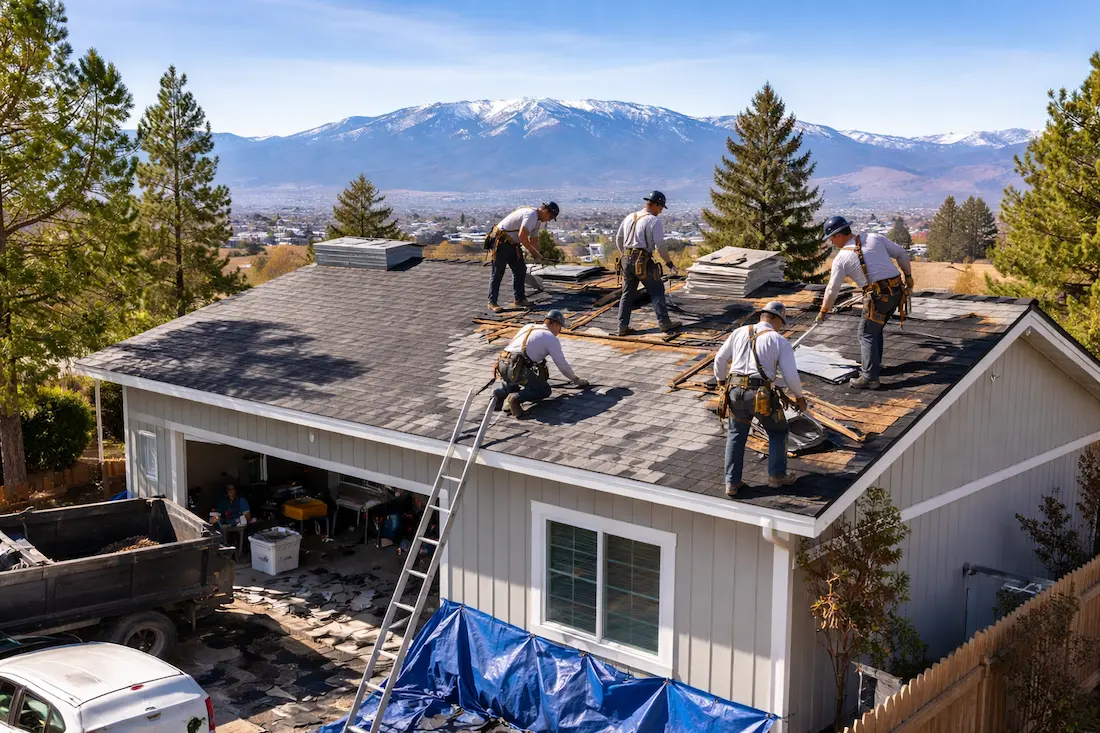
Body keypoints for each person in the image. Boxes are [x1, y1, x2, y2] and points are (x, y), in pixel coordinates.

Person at [715, 301, 807, 497]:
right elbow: (790, 374)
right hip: (761, 395)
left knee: (736, 435)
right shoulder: (778, 340)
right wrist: (799, 397)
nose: (781, 326)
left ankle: (732, 483)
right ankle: (776, 477)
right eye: (781, 322)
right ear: (774, 318)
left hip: (734, 391)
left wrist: (722, 382)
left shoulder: (739, 332)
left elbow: (720, 359)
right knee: (778, 431)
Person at [817, 215, 914, 389]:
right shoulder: (874, 238)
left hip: (878, 297)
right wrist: (908, 276)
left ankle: (870, 377)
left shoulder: (841, 258)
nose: (831, 242)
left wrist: (824, 310)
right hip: (896, 292)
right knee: (875, 330)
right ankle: (874, 367)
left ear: (838, 235)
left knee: (866, 333)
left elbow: (832, 288)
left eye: (831, 238)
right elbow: (901, 253)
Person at [492, 309, 590, 418]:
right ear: (554, 324)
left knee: (512, 379)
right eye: (560, 327)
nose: (559, 331)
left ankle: (499, 394)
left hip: (502, 362)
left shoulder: (528, 327)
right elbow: (562, 364)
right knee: (544, 390)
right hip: (517, 368)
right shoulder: (550, 338)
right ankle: (515, 398)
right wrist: (576, 380)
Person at [614, 191, 681, 336]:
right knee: (657, 290)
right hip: (642, 260)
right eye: (661, 207)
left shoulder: (629, 217)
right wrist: (668, 263)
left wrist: (625, 255)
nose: (661, 210)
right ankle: (664, 323)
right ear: (656, 205)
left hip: (626, 259)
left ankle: (622, 326)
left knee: (627, 293)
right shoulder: (653, 221)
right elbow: (660, 245)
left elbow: (618, 239)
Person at [486, 202, 559, 313]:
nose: (549, 220)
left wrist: (540, 255)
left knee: (520, 269)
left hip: (513, 244)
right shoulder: (531, 215)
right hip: (501, 242)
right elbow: (522, 236)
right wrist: (534, 254)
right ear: (545, 211)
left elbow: (533, 240)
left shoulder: (537, 220)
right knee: (498, 272)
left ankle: (520, 299)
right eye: (550, 217)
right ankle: (492, 302)